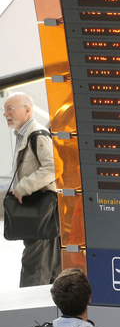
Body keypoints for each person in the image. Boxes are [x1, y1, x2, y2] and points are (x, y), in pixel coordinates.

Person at [4, 92, 61, 287]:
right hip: (38, 210)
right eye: (4, 110)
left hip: (41, 208)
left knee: (35, 266)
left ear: (28, 110)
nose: (5, 114)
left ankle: (31, 312)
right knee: (49, 266)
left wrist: (23, 187)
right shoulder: (25, 136)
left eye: (10, 109)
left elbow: (54, 167)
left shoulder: (37, 135)